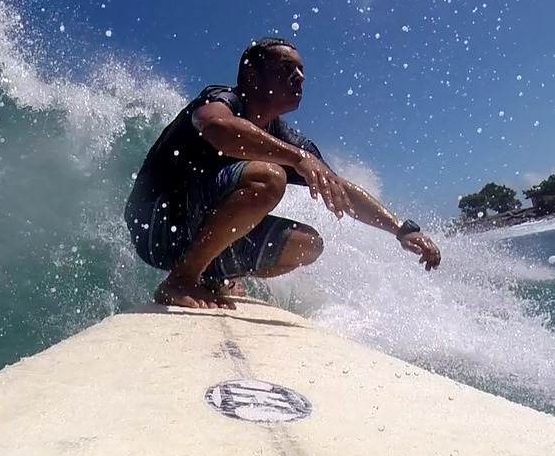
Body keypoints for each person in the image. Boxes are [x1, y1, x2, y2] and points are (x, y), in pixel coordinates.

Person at [125, 37, 442, 309]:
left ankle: (210, 274)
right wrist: (296, 158)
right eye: (286, 69)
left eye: (301, 70)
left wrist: (401, 229)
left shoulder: (286, 137)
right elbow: (215, 125)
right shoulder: (224, 98)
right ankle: (181, 280)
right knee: (270, 177)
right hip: (157, 222)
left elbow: (338, 188)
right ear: (251, 74)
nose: (300, 77)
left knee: (308, 244)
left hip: (192, 229)